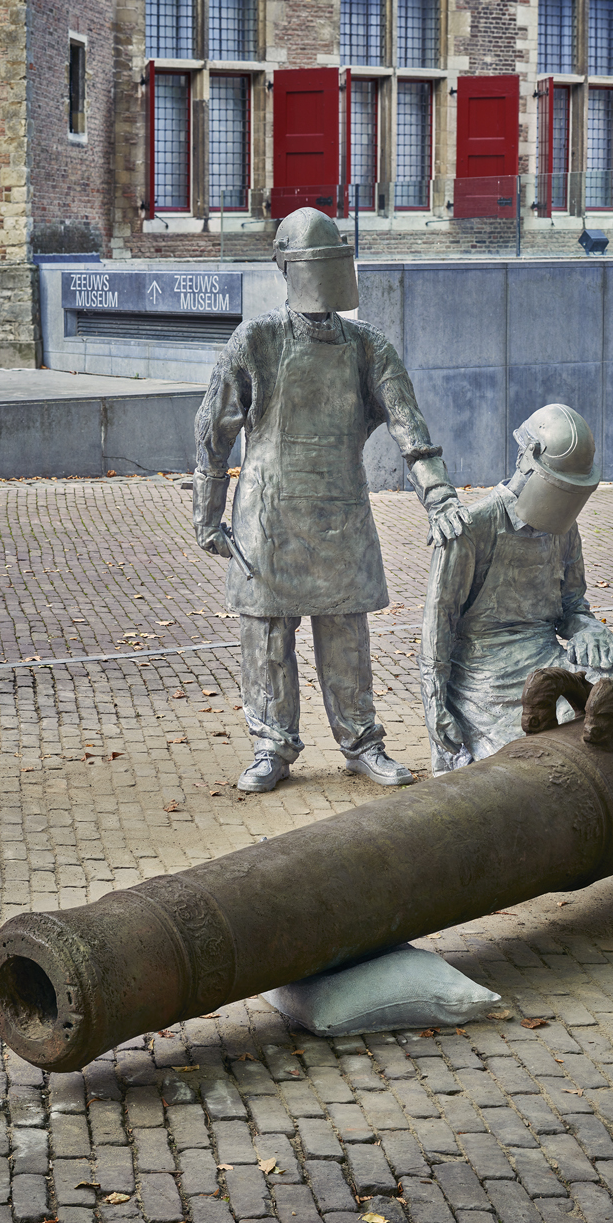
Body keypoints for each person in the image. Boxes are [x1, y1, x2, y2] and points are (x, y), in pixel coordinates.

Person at [192, 207, 467, 793]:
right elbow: (213, 432)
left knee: (346, 633)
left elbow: (410, 431)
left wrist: (439, 497)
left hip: (340, 510)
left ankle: (361, 741)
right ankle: (272, 744)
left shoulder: (369, 347)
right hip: (268, 516)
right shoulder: (257, 341)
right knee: (267, 635)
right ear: (287, 267)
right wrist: (208, 515)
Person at [419, 404, 613, 773]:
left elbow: (573, 604)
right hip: (486, 678)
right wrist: (436, 709)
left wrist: (589, 630)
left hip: (547, 659)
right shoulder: (471, 529)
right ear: (528, 459)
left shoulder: (564, 528)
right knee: (534, 756)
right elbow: (438, 630)